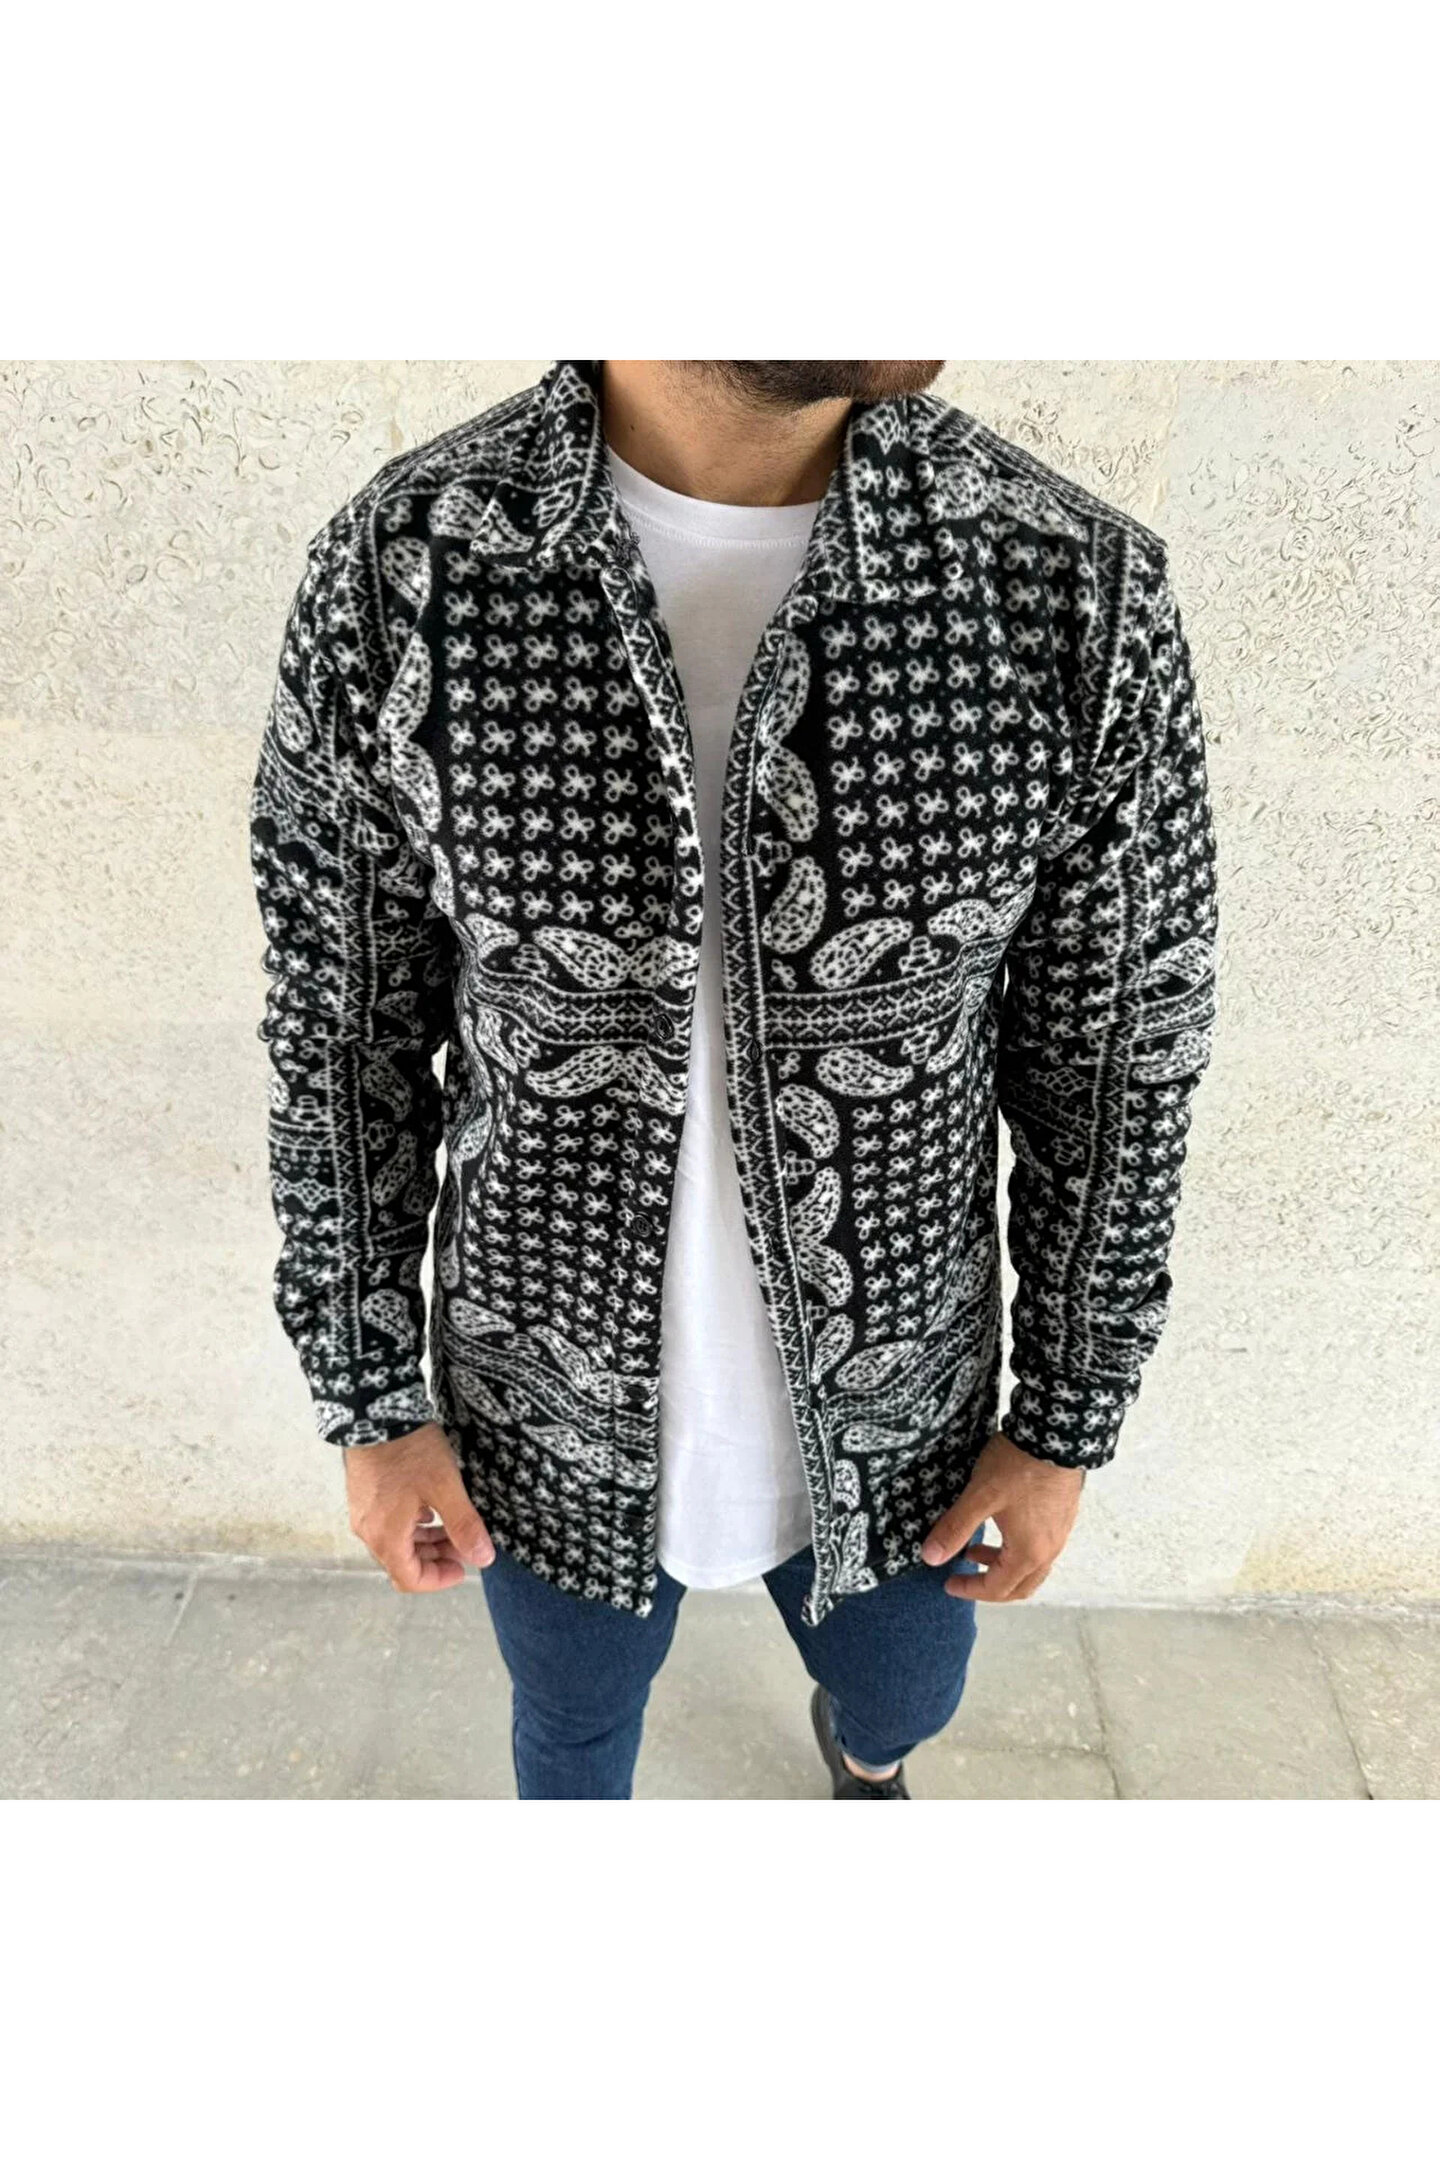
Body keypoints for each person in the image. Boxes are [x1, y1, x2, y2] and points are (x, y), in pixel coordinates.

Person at [249, 359, 1219, 1799]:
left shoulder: (1069, 591)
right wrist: (374, 1403)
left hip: (906, 1423)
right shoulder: (405, 571)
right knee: (572, 1724)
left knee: (906, 1697)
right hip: (541, 1409)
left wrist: (1065, 1422)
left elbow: (1119, 1064)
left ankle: (867, 1764)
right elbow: (342, 1045)